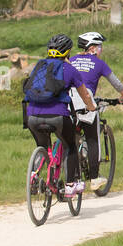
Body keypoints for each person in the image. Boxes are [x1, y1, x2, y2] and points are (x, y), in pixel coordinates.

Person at [23, 34, 97, 198]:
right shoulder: (70, 69)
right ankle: (70, 185)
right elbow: (85, 95)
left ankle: (34, 176)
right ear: (68, 52)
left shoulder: (39, 66)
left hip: (32, 117)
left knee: (42, 146)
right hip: (58, 117)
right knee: (70, 145)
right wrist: (91, 107)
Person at [68, 31, 123, 191]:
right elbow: (116, 83)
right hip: (85, 100)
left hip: (69, 102)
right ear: (93, 48)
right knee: (93, 139)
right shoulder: (99, 63)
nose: (101, 50)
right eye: (100, 46)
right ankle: (94, 178)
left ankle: (70, 179)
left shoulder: (72, 60)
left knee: (70, 138)